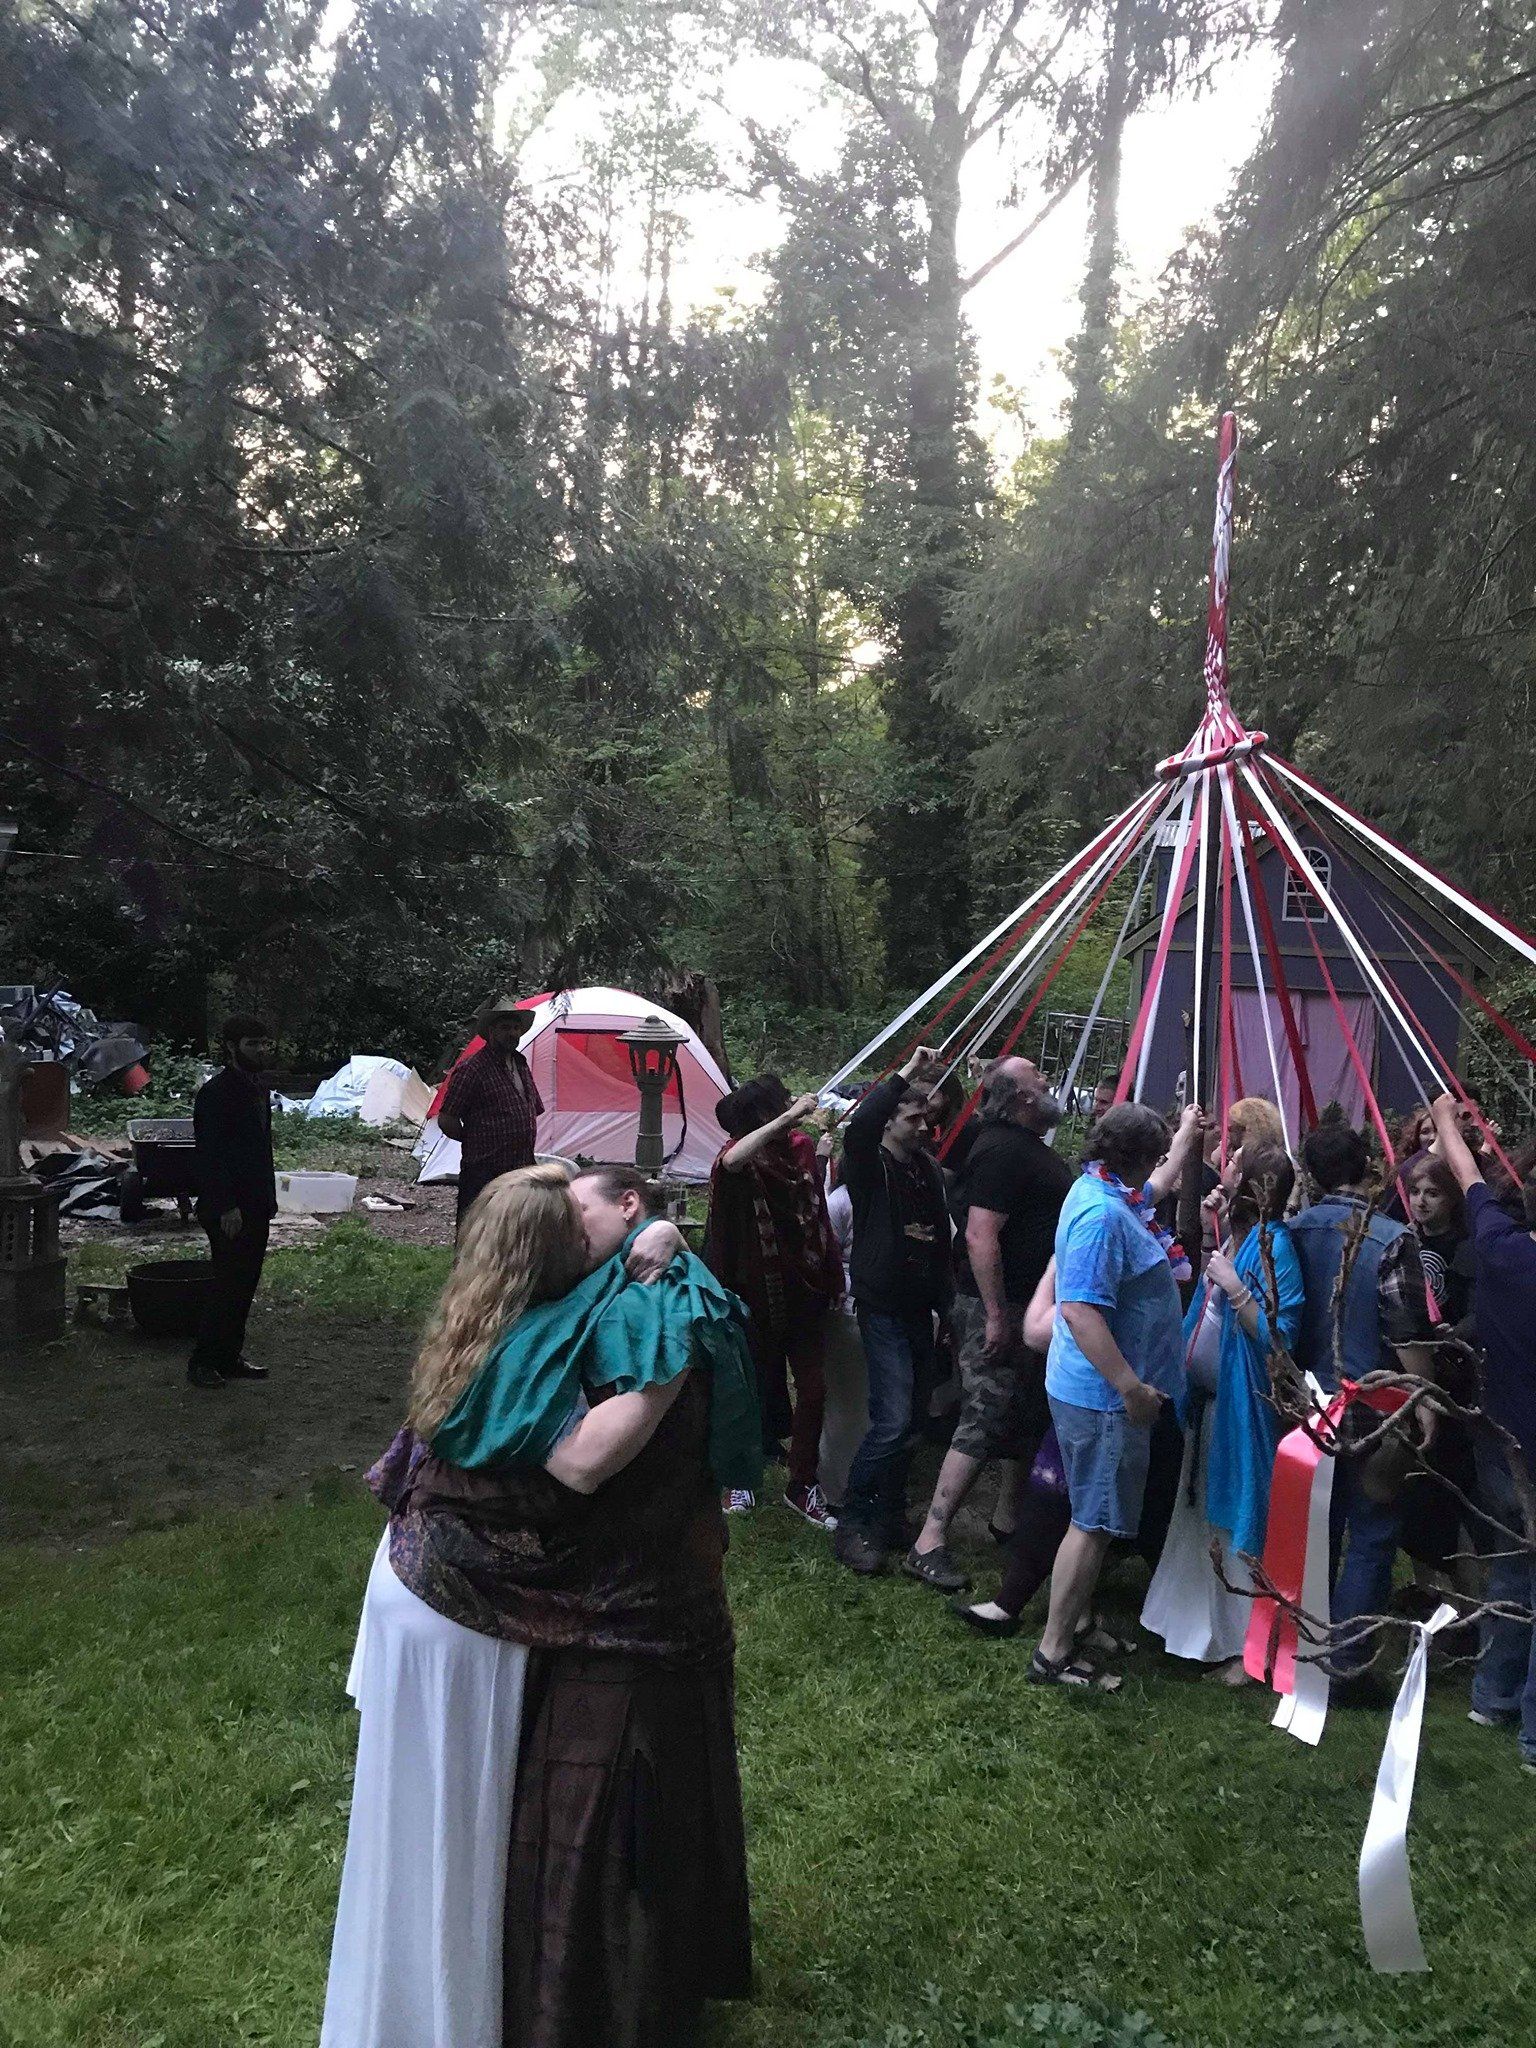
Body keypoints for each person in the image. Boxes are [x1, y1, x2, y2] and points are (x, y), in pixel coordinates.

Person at [321, 1163, 757, 2048]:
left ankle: (425, 2003)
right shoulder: (551, 1334)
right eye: (579, 1228)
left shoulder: (491, 1315)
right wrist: (662, 1264)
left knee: (422, 1826)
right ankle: (438, 2017)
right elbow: (581, 1464)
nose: (594, 1240)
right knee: (448, 1831)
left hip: (434, 1590)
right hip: (462, 1608)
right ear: (555, 1250)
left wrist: (662, 1242)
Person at [1030, 1103, 1189, 1689]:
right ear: (1139, 1155)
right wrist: (1130, 1387)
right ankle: (1052, 1655)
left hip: (1101, 1395)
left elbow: (1154, 1187)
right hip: (1104, 1398)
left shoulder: (1107, 1190)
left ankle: (1079, 1622)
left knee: (1095, 1517)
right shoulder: (1101, 1215)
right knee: (1092, 1523)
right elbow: (1078, 1310)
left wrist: (1187, 1139)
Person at [903, 1058, 1074, 1593]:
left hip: (1023, 1306)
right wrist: (997, 1315)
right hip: (994, 1307)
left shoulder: (1014, 1144)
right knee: (983, 1413)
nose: (1051, 1084)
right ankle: (929, 1539)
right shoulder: (1001, 1150)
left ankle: (1007, 1519)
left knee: (1022, 1413)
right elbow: (980, 1237)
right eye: (1041, 1080)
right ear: (1021, 1097)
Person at [1141, 1145, 1304, 1677]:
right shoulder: (1238, 1233)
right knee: (1201, 1519)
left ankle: (1242, 1645)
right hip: (1208, 1408)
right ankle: (1188, 1625)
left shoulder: (1276, 1246)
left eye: (1232, 1164)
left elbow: (1279, 1335)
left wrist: (1236, 1291)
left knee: (1236, 1520)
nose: (1221, 1166)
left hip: (1241, 1409)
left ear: (1253, 1185)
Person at [1289, 1121, 1437, 1698]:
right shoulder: (1392, 1238)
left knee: (1315, 1527)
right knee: (1373, 1531)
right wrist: (1422, 1398)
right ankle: (1346, 1664)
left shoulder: (1292, 1231)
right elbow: (1403, 1327)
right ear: (1367, 1167)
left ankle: (1303, 1646)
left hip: (1306, 1402)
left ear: (1311, 1173)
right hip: (1375, 1403)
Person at [1429, 1095, 1536, 1769]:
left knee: (1507, 1570)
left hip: (1502, 1446)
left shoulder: (1498, 1248)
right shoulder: (1498, 1246)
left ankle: (1493, 1699)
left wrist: (1445, 1117)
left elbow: (1467, 1173)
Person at [830, 1050, 953, 1574]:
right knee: (892, 1419)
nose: (925, 1125)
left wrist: (946, 1307)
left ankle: (891, 1515)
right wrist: (905, 1072)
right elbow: (858, 1126)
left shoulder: (926, 1170)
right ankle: (853, 1523)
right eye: (913, 1116)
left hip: (920, 1309)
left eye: (928, 1117)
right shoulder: (868, 1163)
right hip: (881, 1308)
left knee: (914, 1421)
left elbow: (939, 1241)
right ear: (889, 1120)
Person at [705, 1074, 843, 1523]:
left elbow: (816, 1212)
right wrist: (790, 1115)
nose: (791, 1106)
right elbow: (732, 1162)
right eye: (781, 1104)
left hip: (803, 1292)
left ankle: (802, 1483)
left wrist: (832, 1275)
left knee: (814, 1390)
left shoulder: (797, 1150)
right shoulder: (738, 1157)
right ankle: (738, 1480)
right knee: (745, 1391)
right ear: (765, 1115)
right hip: (751, 1296)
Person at [186, 1014, 277, 1389]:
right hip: (229, 1209)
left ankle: (229, 1356)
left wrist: (266, 1200)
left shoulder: (256, 1088)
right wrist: (226, 1206)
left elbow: (259, 1151)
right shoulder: (216, 1094)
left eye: (262, 1043)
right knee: (226, 1283)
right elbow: (210, 1155)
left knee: (246, 1283)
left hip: (256, 1204)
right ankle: (203, 1362)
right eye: (251, 1044)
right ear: (232, 1047)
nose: (258, 1050)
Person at [436, 994, 544, 1235]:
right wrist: (476, 1139)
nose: (512, 1033)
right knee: (476, 1229)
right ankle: (465, 1271)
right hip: (484, 1168)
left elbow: (531, 1107)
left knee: (512, 1229)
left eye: (516, 1027)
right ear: (491, 1031)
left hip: (520, 1164)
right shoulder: (472, 1069)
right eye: (505, 1028)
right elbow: (447, 1119)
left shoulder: (520, 1063)